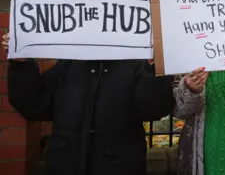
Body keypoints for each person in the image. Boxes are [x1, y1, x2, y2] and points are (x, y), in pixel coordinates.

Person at [2, 33, 175, 175]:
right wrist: (21, 64)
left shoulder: (135, 64)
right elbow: (34, 105)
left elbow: (152, 110)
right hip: (65, 165)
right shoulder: (68, 63)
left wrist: (155, 68)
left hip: (118, 167)